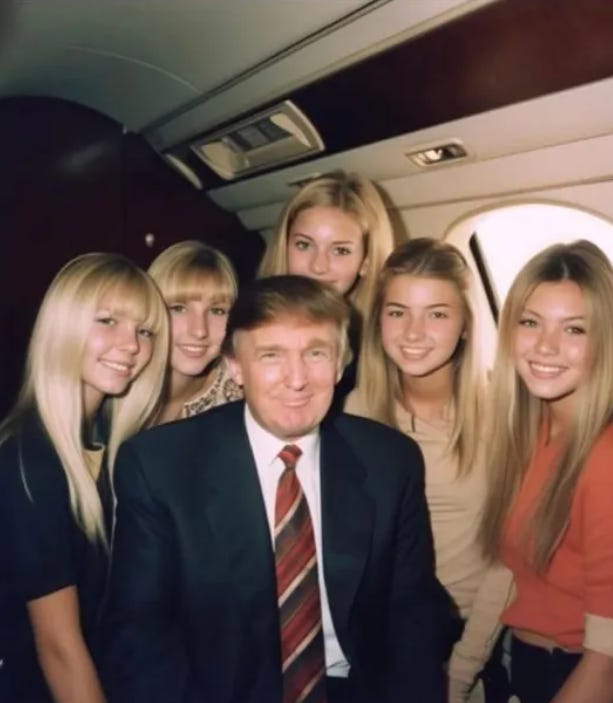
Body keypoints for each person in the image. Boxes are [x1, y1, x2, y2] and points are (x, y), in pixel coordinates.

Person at [102, 275, 448, 703]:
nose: (297, 379)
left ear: (340, 363)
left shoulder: (388, 462)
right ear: (235, 366)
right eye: (271, 355)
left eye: (316, 353)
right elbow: (139, 637)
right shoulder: (161, 466)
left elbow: (412, 619)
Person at [344, 238, 513, 702]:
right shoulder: (355, 411)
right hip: (379, 639)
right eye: (398, 312)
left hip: (469, 636)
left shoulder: (502, 416)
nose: (413, 332)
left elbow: (508, 564)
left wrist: (459, 673)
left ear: (465, 325)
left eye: (437, 314)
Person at [0, 253, 169, 703]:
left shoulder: (106, 447)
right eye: (108, 321)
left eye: (145, 331)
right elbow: (59, 648)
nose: (131, 345)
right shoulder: (28, 461)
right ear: (63, 326)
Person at [479, 240, 613, 702]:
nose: (545, 346)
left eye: (574, 329)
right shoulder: (533, 430)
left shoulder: (605, 458)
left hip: (575, 674)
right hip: (525, 661)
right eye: (530, 322)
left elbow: (605, 664)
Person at [258, 170, 397, 406]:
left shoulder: (382, 343)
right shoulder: (247, 321)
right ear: (284, 246)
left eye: (340, 250)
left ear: (366, 261)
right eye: (304, 245)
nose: (318, 266)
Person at [148, 240, 242, 424]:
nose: (199, 331)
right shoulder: (115, 380)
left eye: (217, 311)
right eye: (179, 308)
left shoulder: (241, 395)